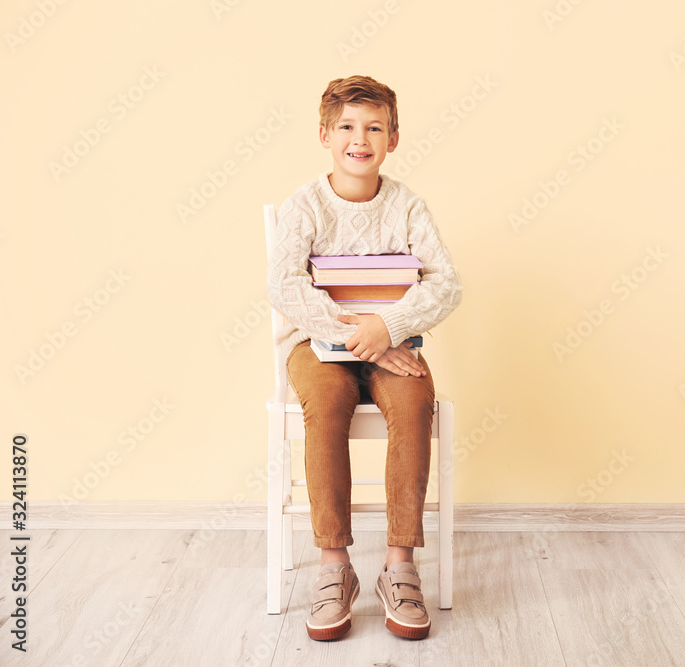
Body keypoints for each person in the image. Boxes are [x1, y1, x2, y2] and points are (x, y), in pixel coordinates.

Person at [266, 74, 463, 641]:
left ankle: (399, 564)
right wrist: (359, 335)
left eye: (374, 127)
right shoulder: (303, 206)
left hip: (392, 346)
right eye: (348, 127)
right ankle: (335, 568)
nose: (361, 138)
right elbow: (284, 286)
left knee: (415, 398)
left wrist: (390, 327)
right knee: (326, 406)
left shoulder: (406, 205)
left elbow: (446, 284)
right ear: (325, 135)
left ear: (393, 139)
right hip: (316, 347)